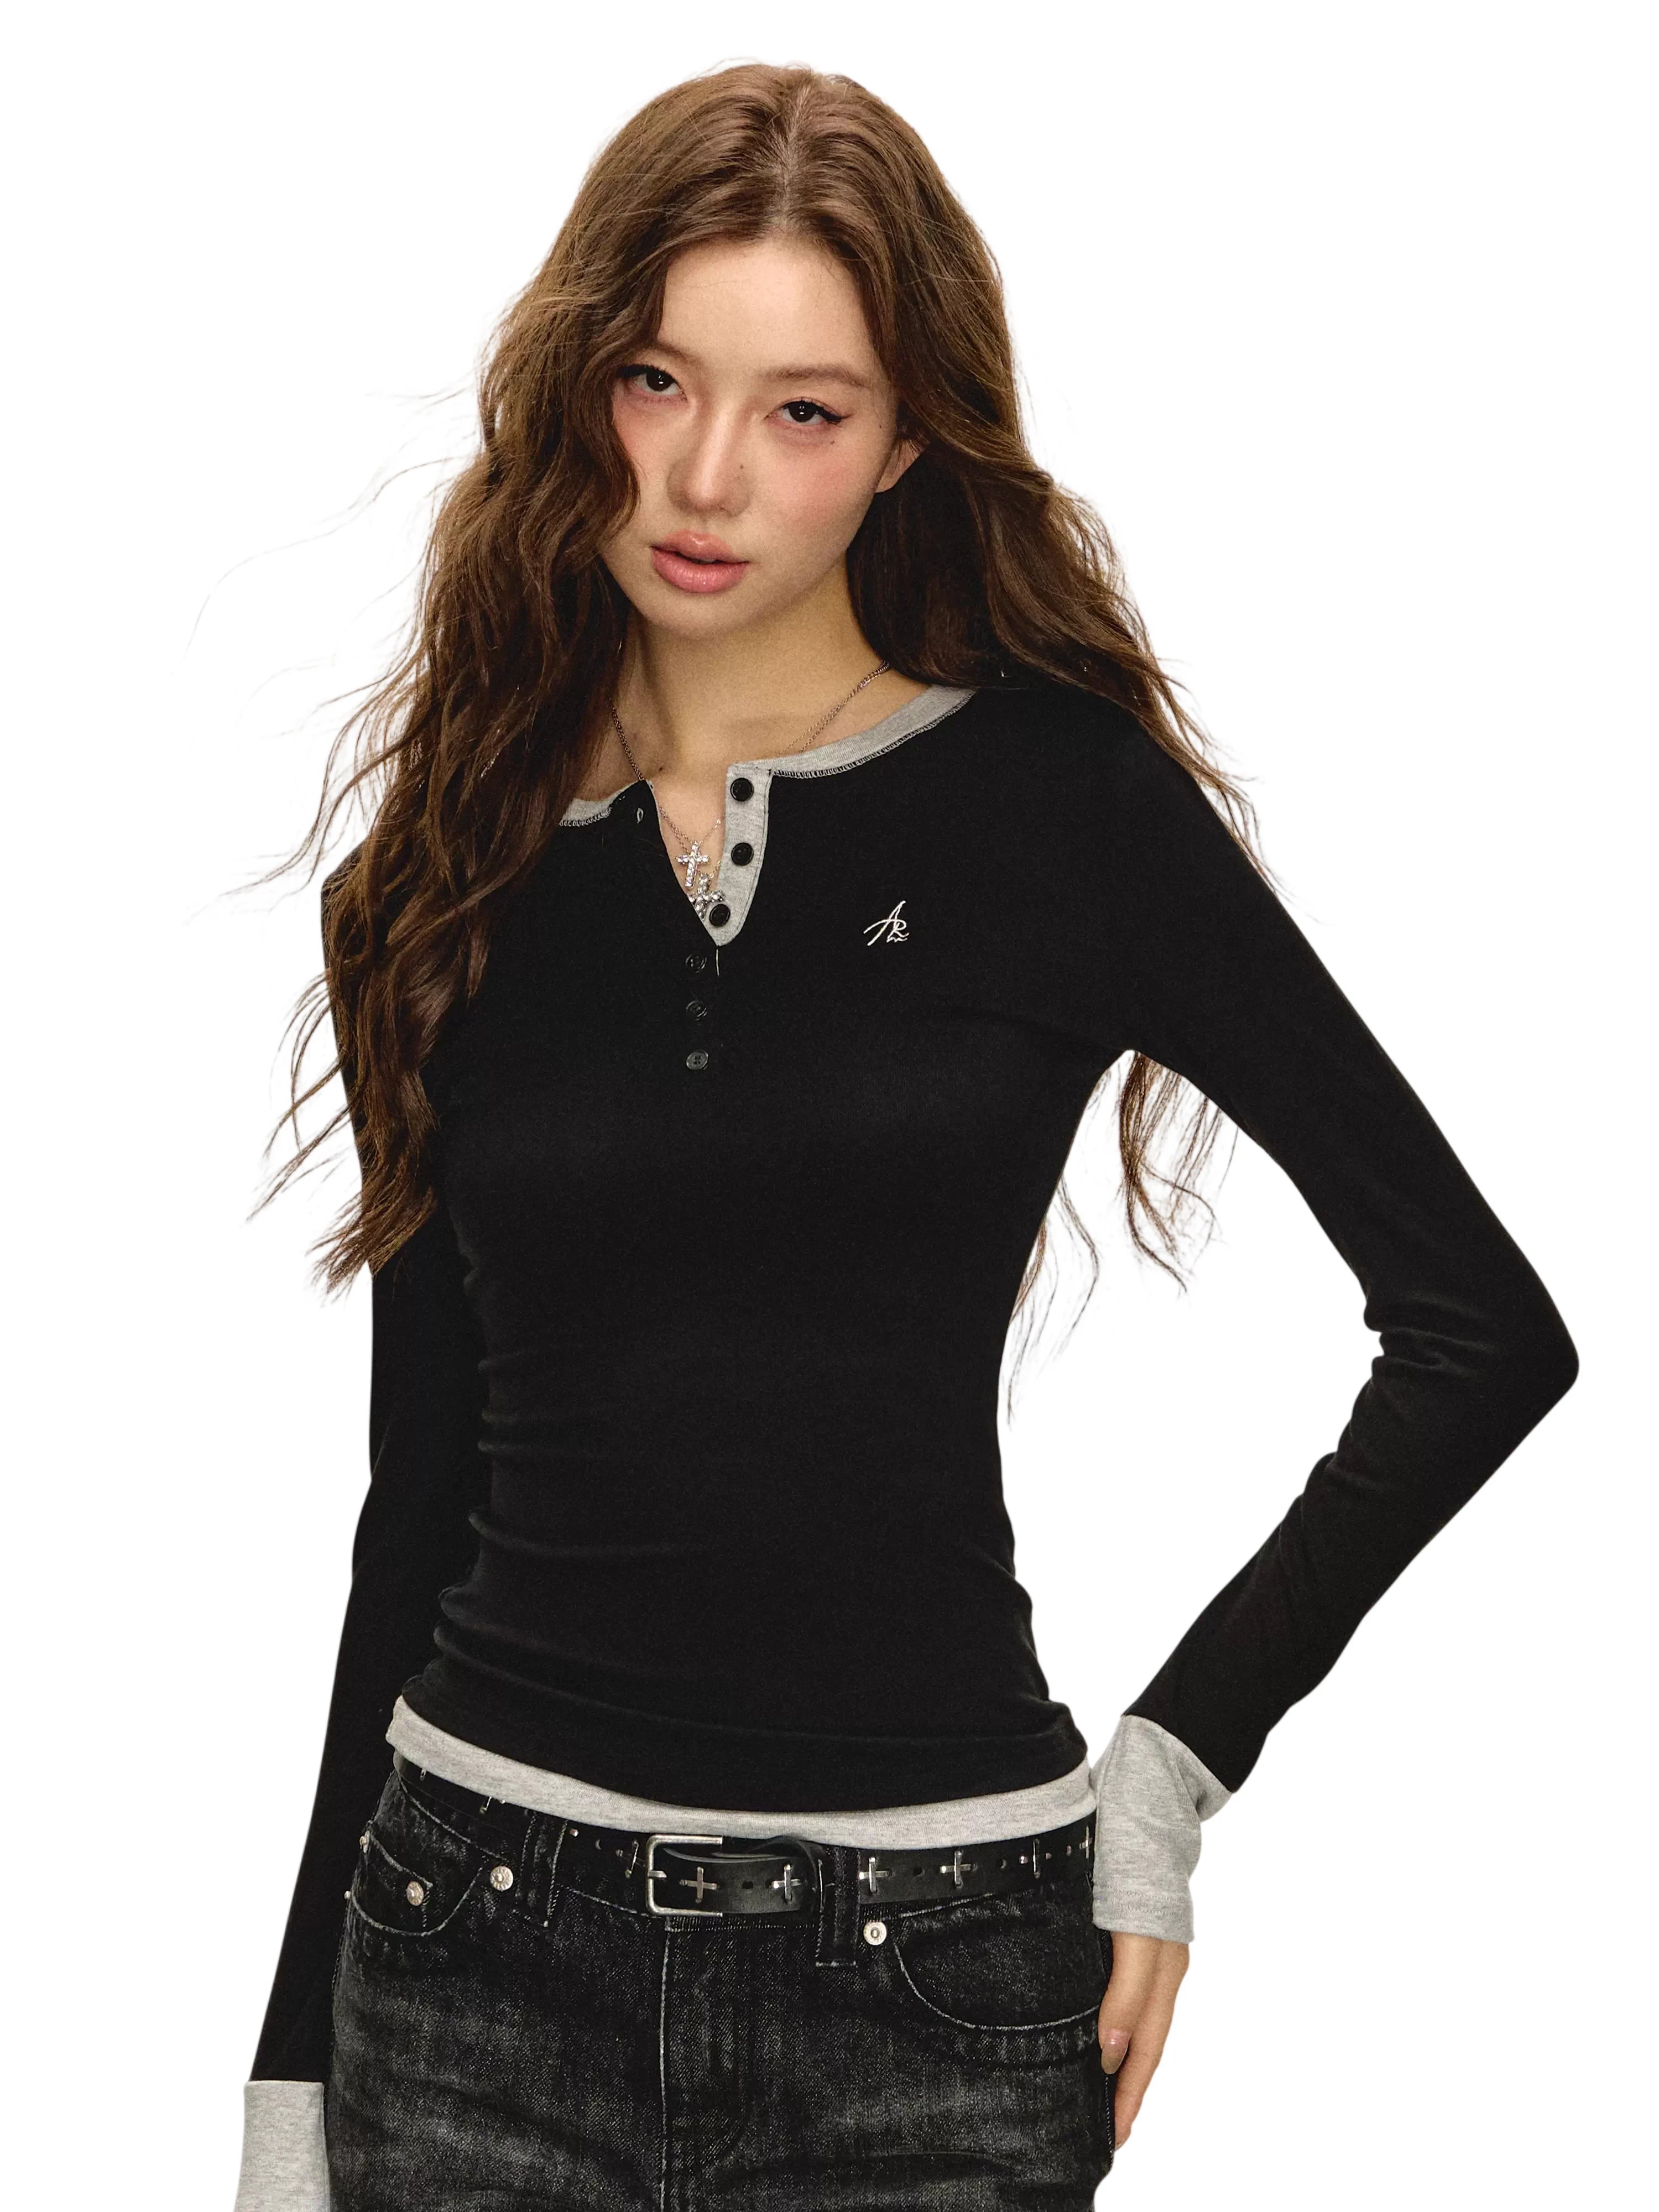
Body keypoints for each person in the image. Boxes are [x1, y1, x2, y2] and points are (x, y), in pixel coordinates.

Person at [233, 61, 1578, 2212]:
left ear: (909, 440)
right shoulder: (443, 871)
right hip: (467, 1957)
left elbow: (1483, 1328)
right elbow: (420, 1497)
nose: (704, 475)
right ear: (580, 383)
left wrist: (1171, 1771)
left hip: (935, 1991)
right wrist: (293, 2082)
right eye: (656, 378)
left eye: (803, 409)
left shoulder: (1067, 813)